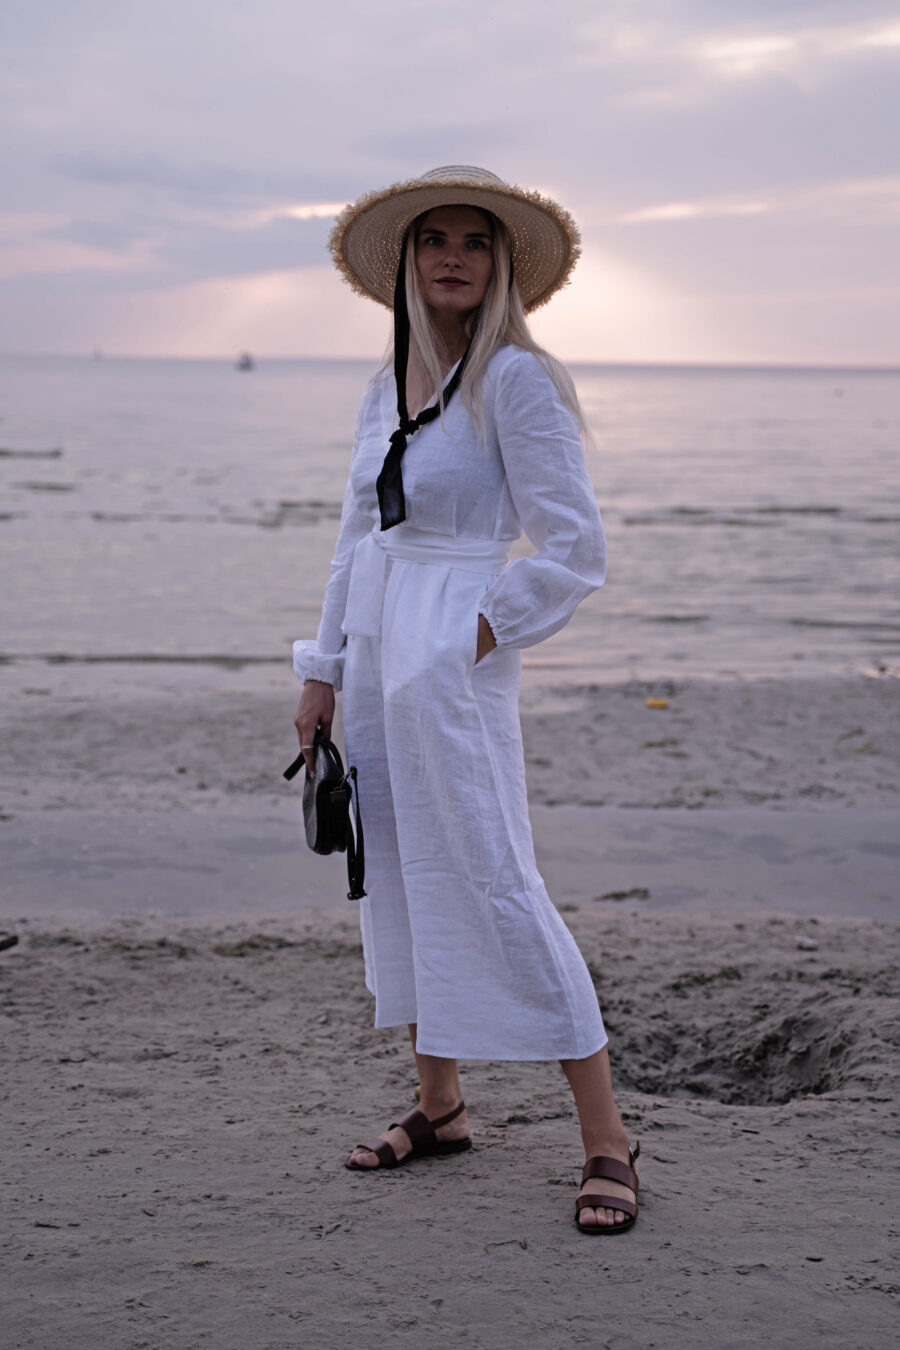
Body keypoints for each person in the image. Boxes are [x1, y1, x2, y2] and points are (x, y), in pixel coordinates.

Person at [293, 166, 639, 1234]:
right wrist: (322, 669)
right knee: (398, 872)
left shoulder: (518, 382)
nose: (453, 256)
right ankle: (440, 1107)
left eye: (475, 241)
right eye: (434, 239)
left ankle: (608, 1140)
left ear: (499, 266)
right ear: (407, 260)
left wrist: (466, 641)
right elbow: (358, 538)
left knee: (493, 872)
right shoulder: (382, 387)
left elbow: (574, 551)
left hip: (452, 650)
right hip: (377, 644)